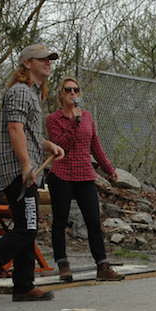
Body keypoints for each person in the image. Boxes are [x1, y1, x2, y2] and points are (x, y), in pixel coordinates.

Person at [0, 43, 65, 302]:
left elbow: (29, 134)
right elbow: (15, 129)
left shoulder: (31, 93)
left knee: (26, 226)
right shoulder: (19, 92)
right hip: (20, 172)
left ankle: (24, 286)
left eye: (50, 59)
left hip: (26, 170)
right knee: (27, 228)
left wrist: (49, 145)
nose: (48, 63)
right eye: (43, 59)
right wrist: (26, 164)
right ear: (28, 63)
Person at [45, 77, 124, 282]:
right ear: (61, 95)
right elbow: (61, 145)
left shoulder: (88, 116)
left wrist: (109, 169)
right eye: (68, 90)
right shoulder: (53, 119)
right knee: (60, 222)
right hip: (62, 174)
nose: (72, 93)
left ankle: (102, 265)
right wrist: (74, 122)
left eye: (76, 90)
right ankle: (63, 264)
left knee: (93, 222)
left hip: (85, 174)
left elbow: (95, 145)